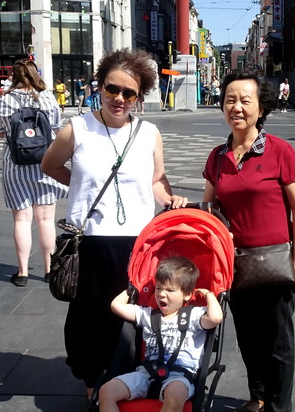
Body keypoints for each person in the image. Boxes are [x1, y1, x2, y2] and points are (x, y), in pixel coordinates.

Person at [41, 48, 188, 393]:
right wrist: (82, 185)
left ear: (139, 97)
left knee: (133, 319)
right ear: (100, 86)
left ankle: (128, 383)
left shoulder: (149, 133)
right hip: (90, 241)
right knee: (88, 319)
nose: (118, 98)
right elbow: (50, 166)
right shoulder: (77, 129)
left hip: (138, 244)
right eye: (112, 89)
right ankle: (93, 386)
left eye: (128, 93)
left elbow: (156, 178)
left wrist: (170, 198)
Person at [202, 70, 295, 412]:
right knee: (248, 337)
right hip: (236, 263)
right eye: (230, 99)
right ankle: (259, 396)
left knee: (277, 340)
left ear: (260, 108)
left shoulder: (280, 151)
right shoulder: (218, 157)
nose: (237, 107)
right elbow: (208, 203)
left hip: (275, 259)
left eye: (245, 100)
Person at [87, 256, 223, 412]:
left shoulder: (195, 316)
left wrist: (208, 294)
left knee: (176, 392)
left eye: (170, 290)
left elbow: (216, 317)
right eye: (159, 288)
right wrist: (133, 289)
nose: (161, 294)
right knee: (106, 391)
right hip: (146, 374)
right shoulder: (148, 315)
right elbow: (115, 306)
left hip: (180, 375)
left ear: (187, 295)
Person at [0, 58, 68, 286]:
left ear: (14, 76)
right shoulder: (47, 98)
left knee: (22, 220)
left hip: (15, 167)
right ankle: (48, 269)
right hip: (45, 164)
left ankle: (22, 272)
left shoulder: (4, 101)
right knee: (45, 219)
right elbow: (55, 129)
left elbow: (0, 133)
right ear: (36, 74)